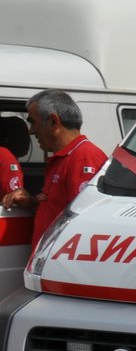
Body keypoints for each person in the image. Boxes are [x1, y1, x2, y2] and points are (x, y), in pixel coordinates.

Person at [2, 90, 107, 252]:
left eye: (33, 122)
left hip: (63, 265)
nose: (31, 131)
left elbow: (84, 220)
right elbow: (59, 210)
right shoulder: (63, 158)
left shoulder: (83, 157)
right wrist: (30, 202)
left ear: (53, 122)